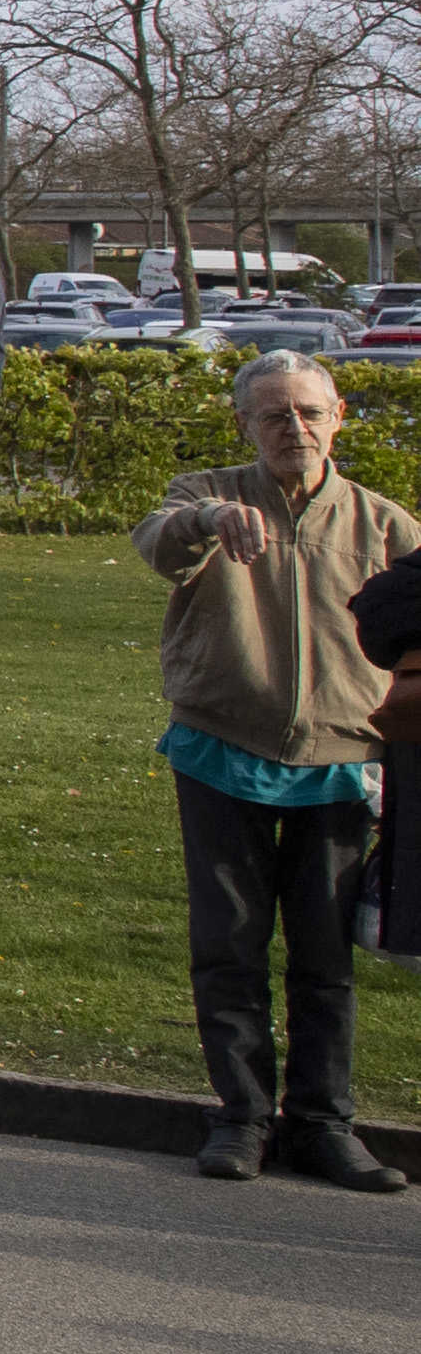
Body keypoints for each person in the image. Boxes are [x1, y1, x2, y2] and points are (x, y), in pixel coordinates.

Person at [157, 361, 421, 1188]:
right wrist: (206, 518)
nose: (293, 430)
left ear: (338, 417)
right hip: (222, 748)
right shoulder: (206, 495)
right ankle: (241, 1117)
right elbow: (159, 540)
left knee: (324, 954)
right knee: (229, 943)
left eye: (309, 413)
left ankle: (323, 1123)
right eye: (273, 416)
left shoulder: (384, 524)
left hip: (342, 761)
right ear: (244, 423)